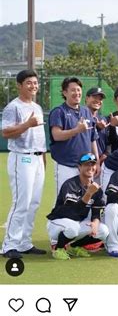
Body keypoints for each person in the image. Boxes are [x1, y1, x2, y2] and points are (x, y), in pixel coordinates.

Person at [1, 70, 47, 259]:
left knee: (34, 203)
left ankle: (24, 242)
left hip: (37, 158)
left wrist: (42, 159)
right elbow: (5, 132)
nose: (33, 86)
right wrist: (27, 124)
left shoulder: (36, 106)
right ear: (19, 85)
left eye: (35, 83)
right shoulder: (14, 107)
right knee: (22, 201)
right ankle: (9, 245)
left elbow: (40, 138)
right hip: (22, 157)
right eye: (29, 83)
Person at [46, 153, 109, 260]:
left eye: (92, 164)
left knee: (103, 231)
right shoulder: (70, 184)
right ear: (79, 167)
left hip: (76, 223)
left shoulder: (96, 189)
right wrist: (88, 193)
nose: (90, 167)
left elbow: (96, 212)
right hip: (58, 223)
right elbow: (73, 211)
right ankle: (58, 249)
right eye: (86, 165)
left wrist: (95, 222)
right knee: (73, 227)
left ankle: (74, 247)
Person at [49, 77, 100, 195]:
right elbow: (56, 135)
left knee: (86, 199)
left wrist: (96, 161)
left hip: (86, 165)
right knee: (65, 201)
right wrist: (76, 130)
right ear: (65, 92)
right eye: (73, 90)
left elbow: (93, 139)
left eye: (78, 90)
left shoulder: (86, 111)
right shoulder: (59, 111)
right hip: (66, 164)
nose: (77, 93)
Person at [85, 87, 108, 167]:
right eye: (95, 97)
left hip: (101, 163)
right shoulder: (80, 117)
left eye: (100, 99)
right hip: (84, 162)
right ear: (87, 98)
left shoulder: (103, 119)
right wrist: (95, 125)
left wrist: (105, 155)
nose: (98, 101)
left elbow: (108, 142)